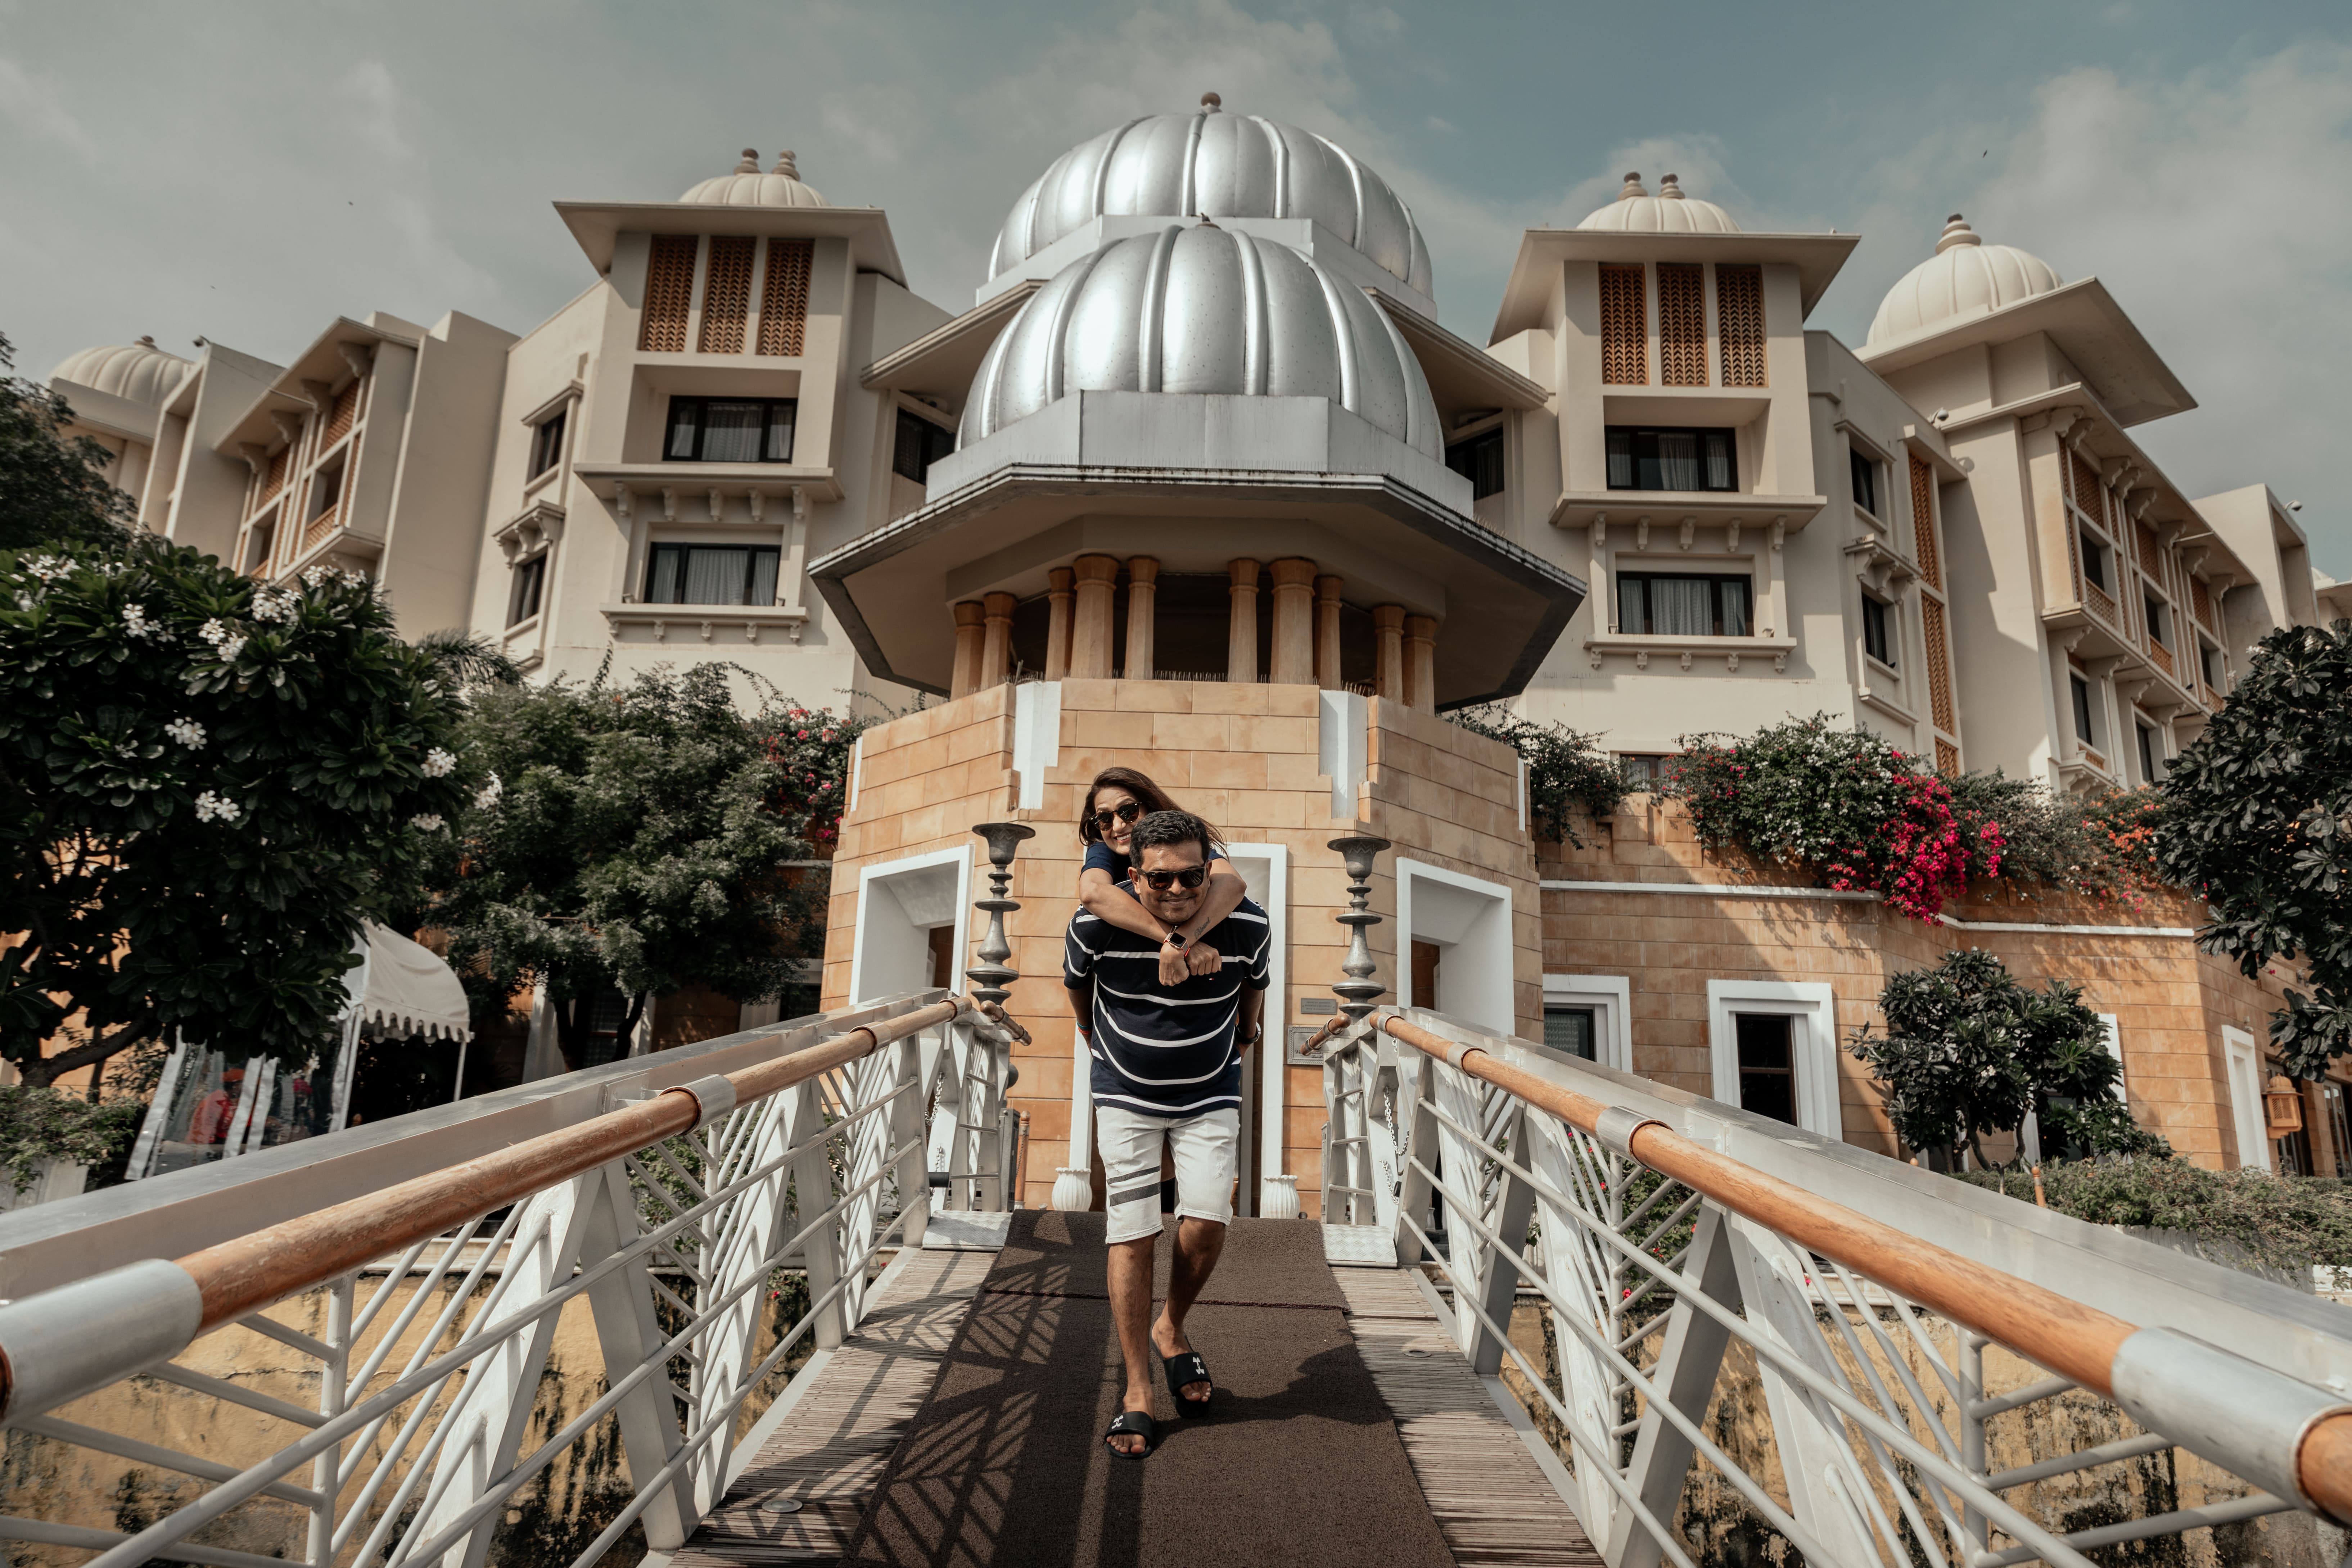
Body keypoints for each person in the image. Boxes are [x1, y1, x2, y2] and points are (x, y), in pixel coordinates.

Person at [1063, 809, 1270, 1460]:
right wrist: (1094, 1036)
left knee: (1208, 1218)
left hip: (1210, 1090)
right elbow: (1077, 986)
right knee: (1132, 1230)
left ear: (1209, 869)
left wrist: (1243, 1035)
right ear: (1135, 874)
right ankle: (1137, 1390)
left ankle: (1171, 1326)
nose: (1177, 891)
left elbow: (1254, 991)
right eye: (1160, 881)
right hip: (1124, 1093)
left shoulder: (1250, 923)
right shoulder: (1095, 923)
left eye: (1190, 877)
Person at [1078, 767, 1249, 986]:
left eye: (1128, 811)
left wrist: (1181, 942)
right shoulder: (1102, 850)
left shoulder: (1184, 844)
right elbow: (1092, 893)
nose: (1119, 826)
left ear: (1150, 808)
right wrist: (1179, 941)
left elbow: (1232, 884)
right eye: (1104, 818)